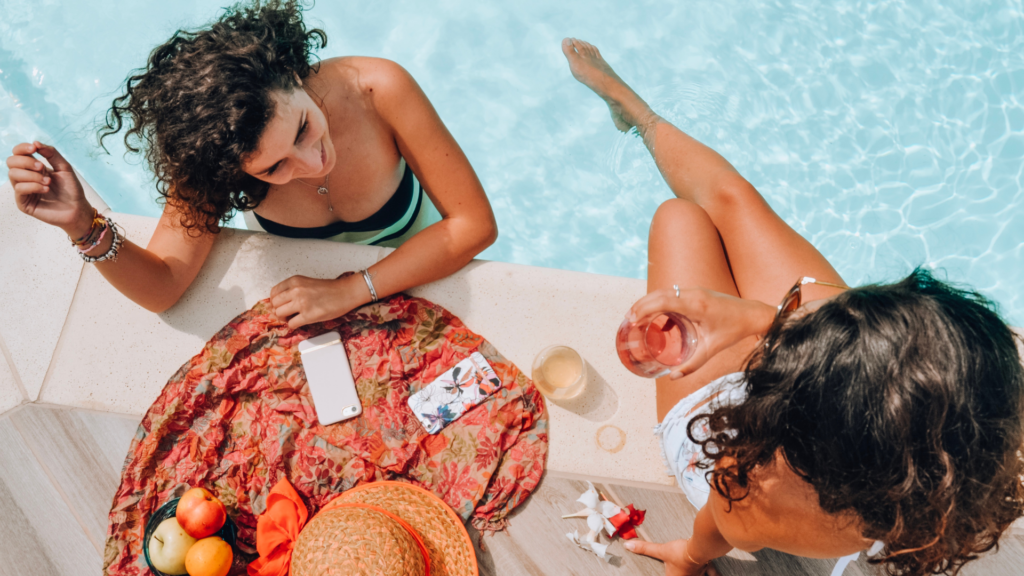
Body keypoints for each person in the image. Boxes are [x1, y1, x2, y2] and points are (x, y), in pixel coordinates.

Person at [562, 37, 1024, 576]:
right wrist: (760, 319)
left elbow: (715, 524)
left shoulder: (756, 485)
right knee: (732, 200)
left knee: (681, 218)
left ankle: (636, 114)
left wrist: (687, 560)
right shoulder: (961, 448)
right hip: (847, 404)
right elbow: (869, 382)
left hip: (736, 423)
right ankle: (637, 112)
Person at [5, 0, 497, 328]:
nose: (312, 164)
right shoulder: (221, 151)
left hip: (431, 273)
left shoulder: (377, 90)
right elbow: (164, 287)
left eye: (304, 127)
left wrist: (351, 292)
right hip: (324, 306)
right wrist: (82, 225)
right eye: (273, 169)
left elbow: (473, 226)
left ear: (290, 73)